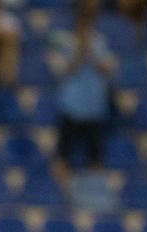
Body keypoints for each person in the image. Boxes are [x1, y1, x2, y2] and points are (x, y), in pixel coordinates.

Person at [49, 3, 116, 181]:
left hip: (93, 105)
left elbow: (109, 68)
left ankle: (94, 189)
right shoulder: (65, 42)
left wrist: (92, 53)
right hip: (72, 105)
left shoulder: (99, 42)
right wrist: (79, 51)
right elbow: (62, 69)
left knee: (95, 155)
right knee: (63, 155)